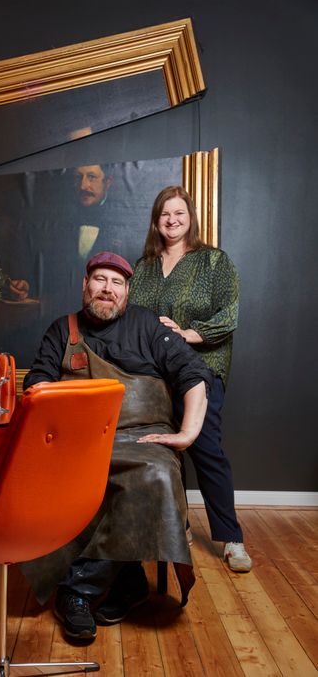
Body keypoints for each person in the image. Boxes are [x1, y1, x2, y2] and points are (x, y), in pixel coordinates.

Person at [22, 250, 213, 642]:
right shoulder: (63, 330)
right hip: (80, 441)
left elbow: (194, 374)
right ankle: (128, 579)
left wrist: (187, 434)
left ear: (127, 291)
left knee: (155, 472)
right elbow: (37, 382)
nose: (107, 289)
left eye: (117, 282)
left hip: (143, 436)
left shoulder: (148, 326)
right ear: (85, 285)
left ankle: (78, 591)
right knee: (49, 476)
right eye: (100, 279)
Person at [128, 185, 252, 574]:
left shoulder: (214, 261)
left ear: (190, 218)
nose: (172, 220)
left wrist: (184, 334)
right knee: (160, 449)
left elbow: (228, 316)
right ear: (156, 220)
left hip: (201, 367)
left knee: (205, 447)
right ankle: (175, 526)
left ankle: (231, 538)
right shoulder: (143, 266)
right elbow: (131, 317)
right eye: (165, 214)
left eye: (179, 213)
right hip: (154, 373)